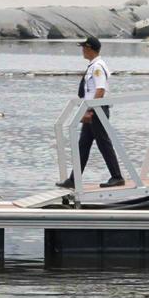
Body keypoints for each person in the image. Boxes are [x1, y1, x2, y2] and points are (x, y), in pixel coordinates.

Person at [58, 37, 125, 189]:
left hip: (97, 110)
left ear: (89, 48)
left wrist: (89, 110)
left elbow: (100, 90)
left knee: (103, 144)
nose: (82, 50)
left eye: (83, 47)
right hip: (93, 110)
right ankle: (73, 180)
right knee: (83, 145)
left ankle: (117, 176)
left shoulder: (97, 67)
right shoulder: (93, 66)